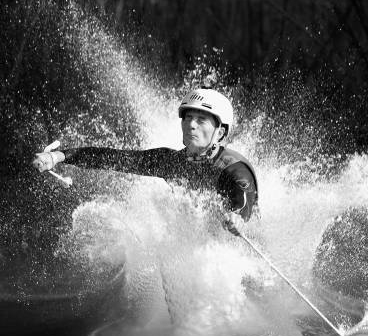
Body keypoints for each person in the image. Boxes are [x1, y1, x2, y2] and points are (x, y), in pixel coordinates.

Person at [32, 88, 258, 235]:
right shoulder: (171, 162)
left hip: (244, 247)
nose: (191, 125)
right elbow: (115, 159)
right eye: (188, 117)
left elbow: (245, 207)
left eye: (201, 120)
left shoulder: (235, 169)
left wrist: (238, 219)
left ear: (220, 132)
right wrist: (59, 156)